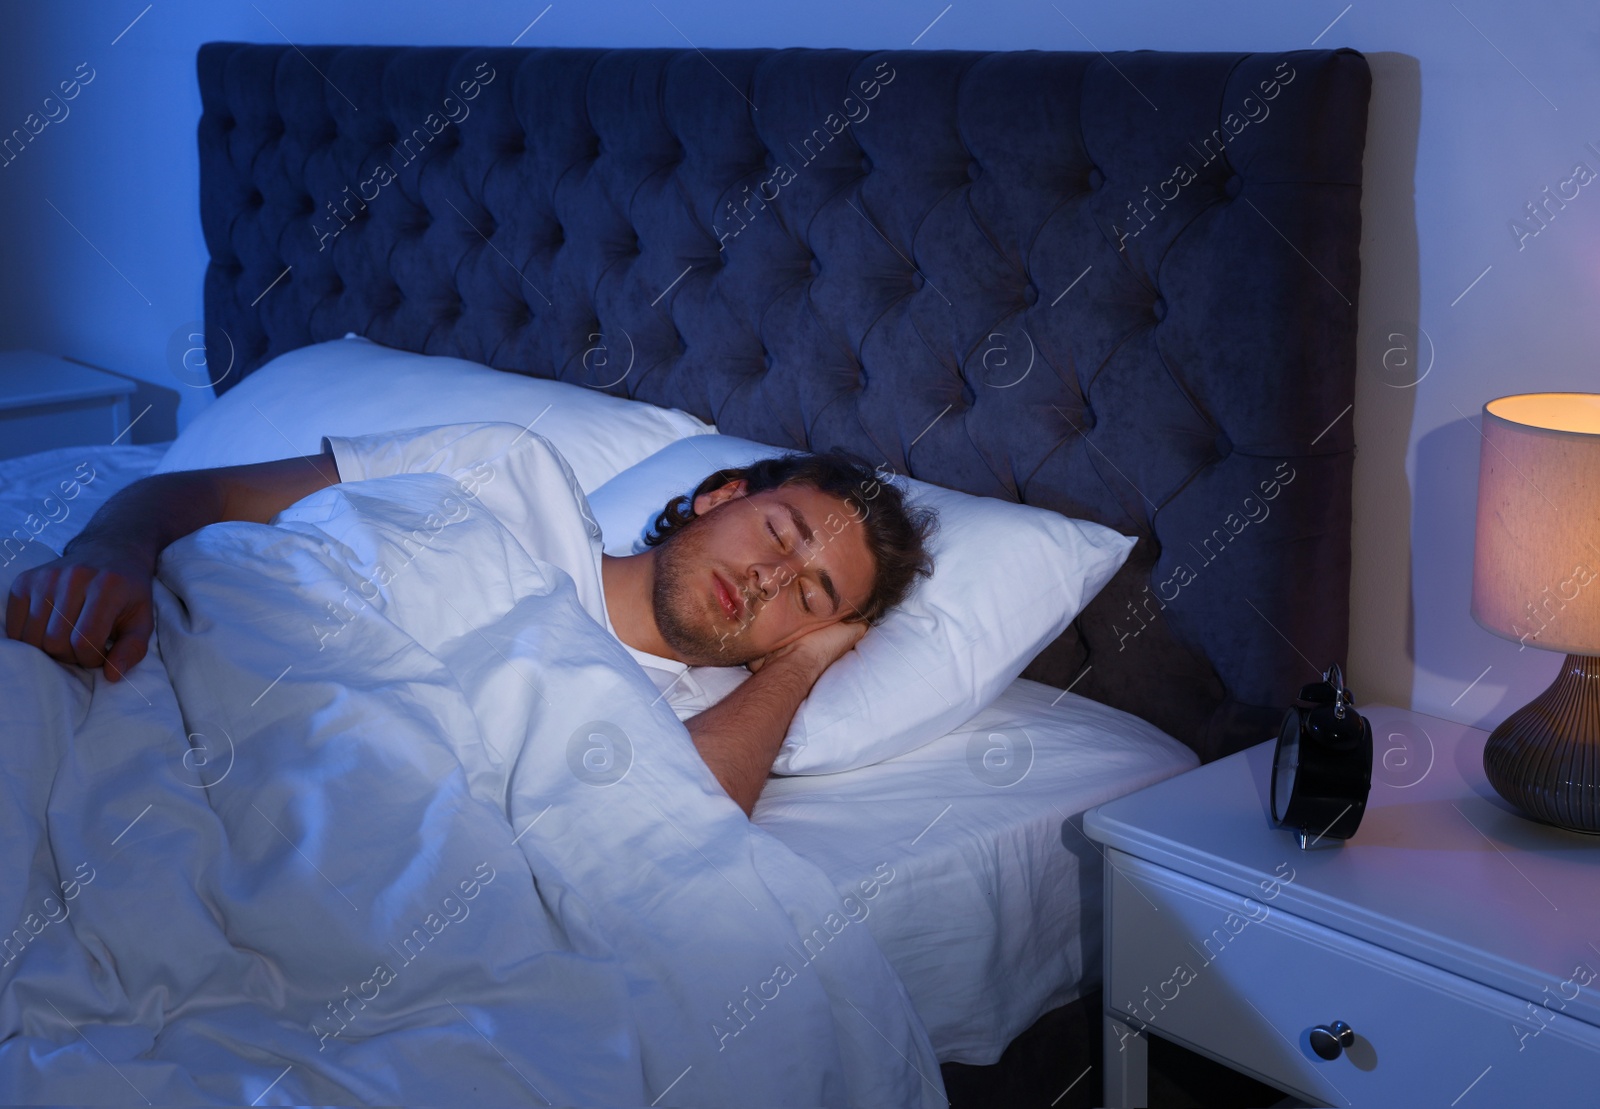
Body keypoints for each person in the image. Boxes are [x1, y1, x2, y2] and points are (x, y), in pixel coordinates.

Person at [4, 426, 937, 816]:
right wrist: (109, 556)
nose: (774, 579)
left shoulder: (681, 723)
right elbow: (203, 491)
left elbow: (686, 823)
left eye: (810, 597)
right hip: (137, 654)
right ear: (719, 495)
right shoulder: (509, 470)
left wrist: (802, 664)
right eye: (782, 532)